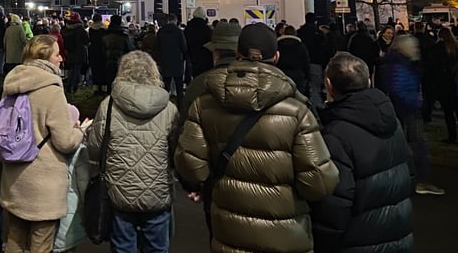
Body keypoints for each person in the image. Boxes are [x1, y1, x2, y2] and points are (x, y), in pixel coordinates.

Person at [174, 23, 338, 252]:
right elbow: (319, 182)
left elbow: (190, 165)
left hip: (229, 227)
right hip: (286, 232)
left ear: (238, 54)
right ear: (277, 56)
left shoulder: (205, 103)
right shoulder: (298, 110)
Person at [310, 53, 414, 252]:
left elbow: (334, 207)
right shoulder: (392, 120)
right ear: (368, 81)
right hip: (398, 233)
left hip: (356, 242)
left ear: (329, 85)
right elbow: (409, 174)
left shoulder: (335, 135)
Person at [0, 35, 90, 253]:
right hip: (43, 185)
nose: (61, 58)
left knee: (14, 240)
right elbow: (65, 141)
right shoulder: (51, 89)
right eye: (57, 54)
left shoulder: (12, 83)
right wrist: (79, 131)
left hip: (14, 177)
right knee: (41, 244)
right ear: (46, 58)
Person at [86, 51, 180, 253]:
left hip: (119, 191)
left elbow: (94, 148)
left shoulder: (109, 105)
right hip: (158, 191)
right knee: (157, 248)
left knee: (123, 247)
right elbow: (176, 151)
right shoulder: (169, 108)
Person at [375, 34, 444, 195]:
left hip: (407, 108)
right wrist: (415, 103)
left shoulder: (404, 63)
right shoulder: (399, 65)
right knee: (416, 145)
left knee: (411, 146)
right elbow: (398, 88)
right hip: (406, 110)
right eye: (413, 46)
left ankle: (410, 179)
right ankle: (416, 181)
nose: (416, 49)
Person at [54, 104, 90, 253]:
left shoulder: (49, 144)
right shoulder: (79, 150)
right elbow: (83, 182)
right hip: (71, 209)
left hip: (50, 210)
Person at [431, 27, 458, 144]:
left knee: (448, 112)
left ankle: (452, 136)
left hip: (444, 84)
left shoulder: (438, 48)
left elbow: (435, 67)